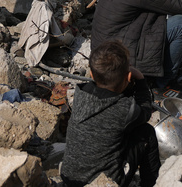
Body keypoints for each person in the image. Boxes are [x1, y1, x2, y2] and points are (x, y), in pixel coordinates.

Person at [60, 40, 161, 187]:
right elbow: (145, 111)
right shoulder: (123, 109)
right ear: (128, 77)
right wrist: (140, 80)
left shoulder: (81, 93)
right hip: (105, 183)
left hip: (69, 178)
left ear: (91, 74)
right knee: (147, 132)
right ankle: (152, 183)